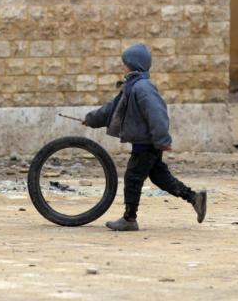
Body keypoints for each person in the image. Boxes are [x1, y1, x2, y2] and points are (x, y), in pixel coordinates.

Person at [82, 43, 207, 231]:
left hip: (146, 144)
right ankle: (194, 198)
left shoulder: (143, 88)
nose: (123, 66)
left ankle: (129, 219)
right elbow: (110, 110)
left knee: (133, 178)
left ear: (133, 64)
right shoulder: (130, 86)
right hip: (146, 143)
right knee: (160, 177)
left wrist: (162, 140)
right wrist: (90, 119)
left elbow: (157, 114)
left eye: (125, 63)